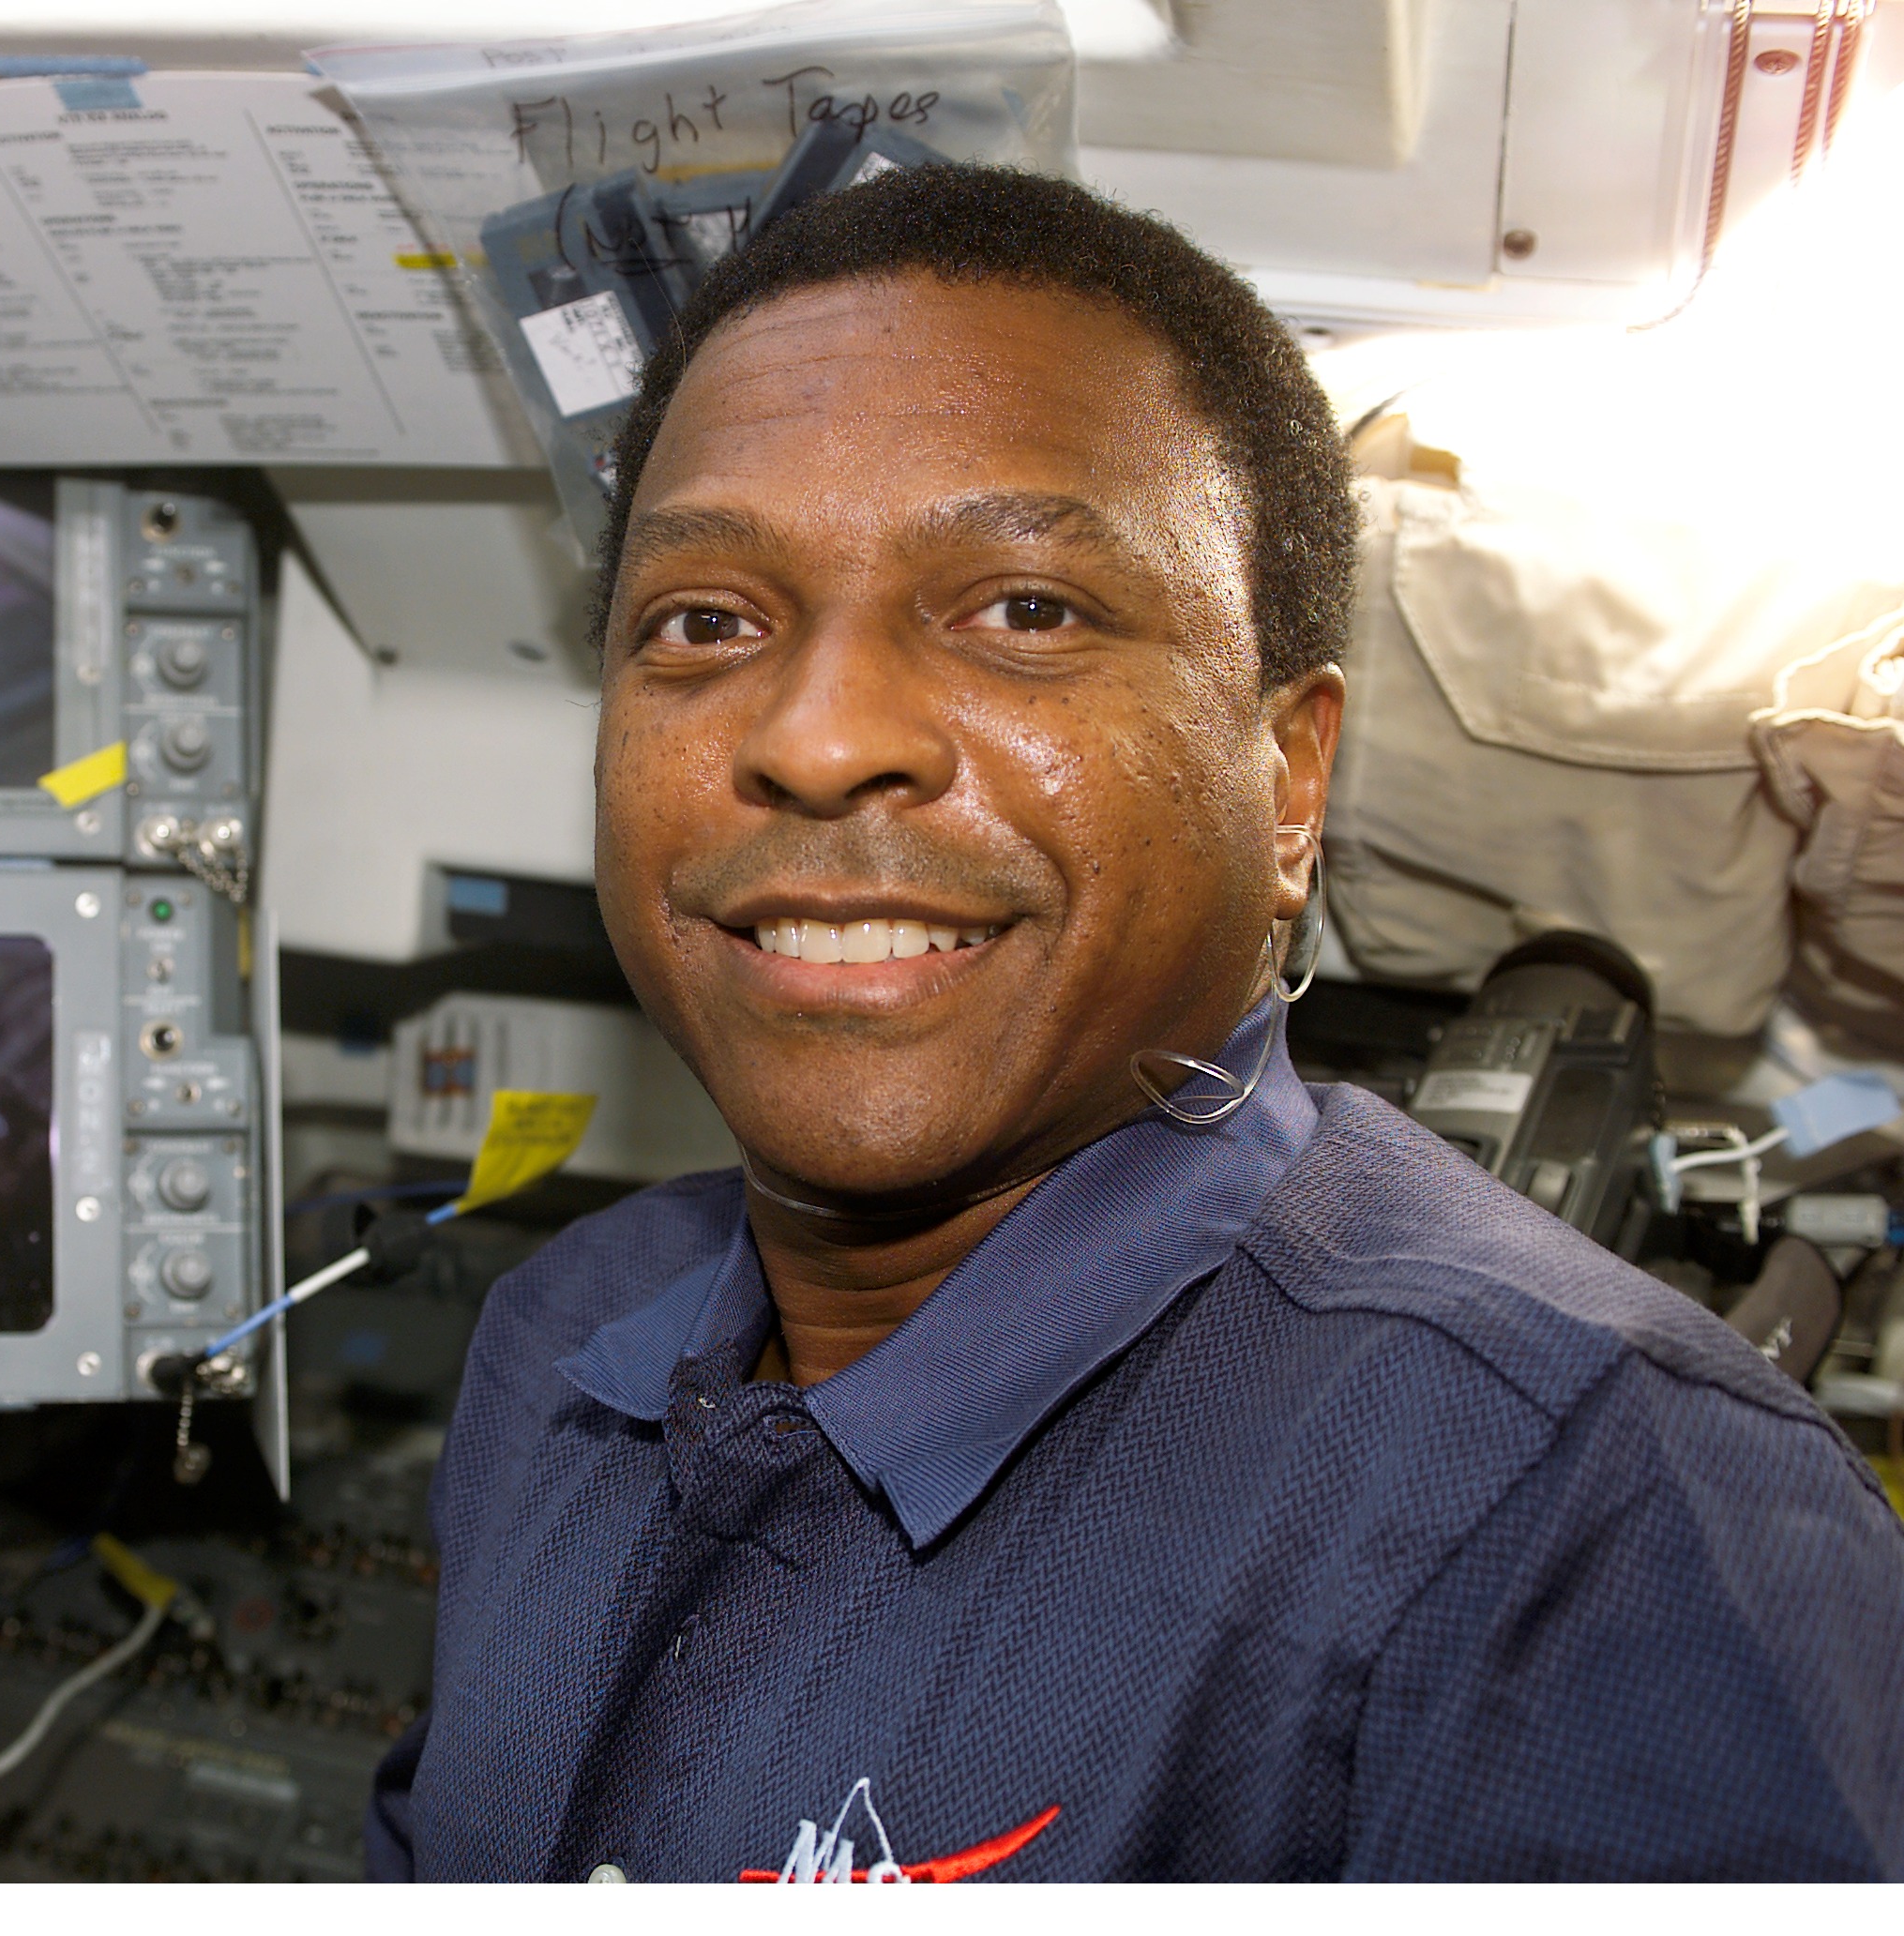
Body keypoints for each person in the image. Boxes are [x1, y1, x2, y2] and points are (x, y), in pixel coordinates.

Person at [364, 163, 1904, 1883]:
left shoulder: (1588, 1514)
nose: (815, 735)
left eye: (1026, 610)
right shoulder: (561, 1339)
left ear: (1291, 773)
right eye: (705, 621)